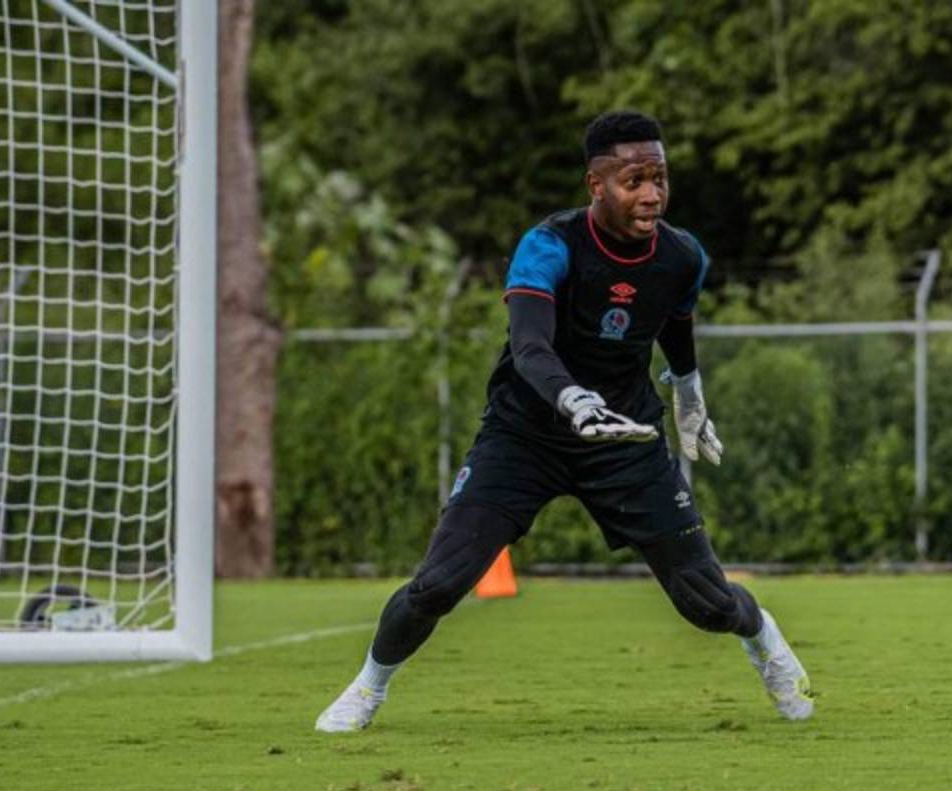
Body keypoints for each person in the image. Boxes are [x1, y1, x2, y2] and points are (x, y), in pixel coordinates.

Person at [316, 110, 814, 732]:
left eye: (660, 177)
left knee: (707, 604)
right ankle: (367, 688)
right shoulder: (549, 244)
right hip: (525, 434)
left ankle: (763, 638)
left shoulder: (684, 256)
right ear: (596, 185)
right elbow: (529, 348)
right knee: (439, 585)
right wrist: (571, 398)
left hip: (624, 438)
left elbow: (676, 328)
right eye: (635, 180)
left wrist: (689, 396)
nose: (652, 194)